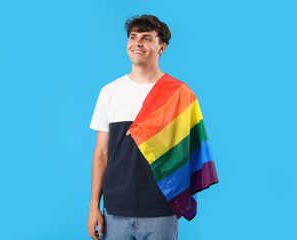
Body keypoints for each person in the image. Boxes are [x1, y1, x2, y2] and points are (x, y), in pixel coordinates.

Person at [87, 14, 219, 240]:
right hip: (115, 209)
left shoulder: (179, 94)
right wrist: (93, 207)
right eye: (133, 36)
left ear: (162, 47)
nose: (137, 42)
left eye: (147, 38)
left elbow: (191, 150)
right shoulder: (109, 92)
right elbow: (101, 153)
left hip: (161, 209)